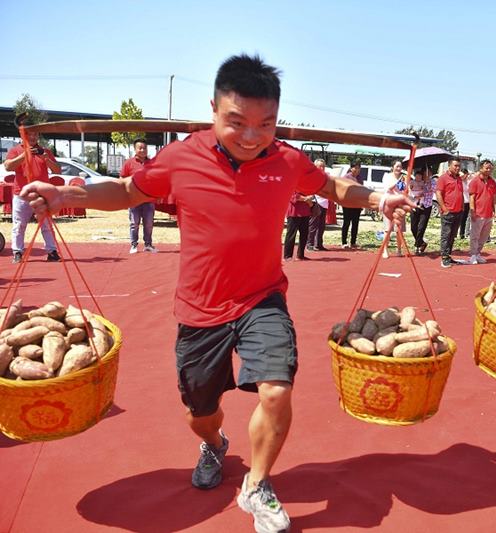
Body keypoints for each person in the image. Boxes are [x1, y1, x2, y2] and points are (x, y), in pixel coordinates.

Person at [20, 54, 413, 533]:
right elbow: (127, 192)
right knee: (199, 411)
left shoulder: (287, 159)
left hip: (262, 299)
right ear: (213, 110)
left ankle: (258, 484)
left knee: (276, 389)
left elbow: (331, 185)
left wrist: (376, 197)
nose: (252, 136)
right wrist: (66, 195)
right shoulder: (182, 156)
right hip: (199, 308)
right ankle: (213, 443)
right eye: (237, 123)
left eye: (265, 124)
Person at [3, 129, 62, 263]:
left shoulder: (45, 151)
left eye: (36, 134)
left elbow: (57, 170)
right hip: (21, 194)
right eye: (30, 134)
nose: (33, 137)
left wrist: (46, 159)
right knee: (19, 225)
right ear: (24, 136)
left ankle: (52, 251)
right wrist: (25, 155)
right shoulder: (15, 150)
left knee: (46, 224)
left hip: (42, 194)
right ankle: (17, 252)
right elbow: (8, 167)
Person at [121, 138, 157, 254]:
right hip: (134, 200)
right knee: (134, 223)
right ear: (135, 149)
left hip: (148, 199)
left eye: (145, 148)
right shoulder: (128, 163)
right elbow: (122, 179)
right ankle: (134, 245)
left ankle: (148, 244)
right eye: (140, 148)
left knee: (149, 224)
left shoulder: (152, 163)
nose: (143, 150)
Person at [435, 158, 464, 268]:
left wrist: (462, 208)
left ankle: (448, 255)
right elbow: (438, 194)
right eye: (455, 166)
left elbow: (460, 193)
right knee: (446, 235)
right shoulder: (443, 178)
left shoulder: (459, 179)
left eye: (459, 166)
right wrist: (444, 208)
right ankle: (444, 257)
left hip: (458, 212)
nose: (457, 168)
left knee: (452, 235)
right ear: (449, 166)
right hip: (448, 212)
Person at [467, 160, 496, 264]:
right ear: (481, 168)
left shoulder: (492, 182)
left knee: (484, 236)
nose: (489, 170)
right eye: (486, 168)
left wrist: (495, 210)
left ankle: (478, 253)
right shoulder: (474, 181)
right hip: (478, 213)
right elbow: (472, 198)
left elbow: (493, 197)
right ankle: (473, 255)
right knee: (475, 236)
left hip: (488, 214)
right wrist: (472, 211)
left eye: (490, 168)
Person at [381, 161, 406, 257]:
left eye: (400, 167)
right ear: (392, 167)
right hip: (389, 204)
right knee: (387, 229)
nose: (399, 168)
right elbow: (388, 188)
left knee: (399, 230)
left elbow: (405, 190)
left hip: (399, 205)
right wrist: (397, 181)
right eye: (397, 166)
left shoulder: (403, 178)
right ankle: (385, 250)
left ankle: (399, 250)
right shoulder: (387, 176)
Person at [409, 168, 434, 255]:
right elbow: (409, 189)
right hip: (415, 205)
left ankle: (417, 246)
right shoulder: (416, 181)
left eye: (428, 173)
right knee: (413, 227)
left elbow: (432, 189)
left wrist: (427, 185)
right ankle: (422, 243)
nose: (426, 175)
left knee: (421, 227)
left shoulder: (432, 181)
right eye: (424, 173)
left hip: (426, 206)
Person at [284, 191, 313, 261]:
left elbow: (312, 193)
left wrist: (310, 197)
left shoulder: (305, 186)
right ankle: (287, 256)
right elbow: (293, 196)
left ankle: (300, 255)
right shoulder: (291, 184)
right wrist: (306, 198)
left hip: (305, 212)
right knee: (291, 235)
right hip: (294, 213)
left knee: (304, 234)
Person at [307, 158, 329, 251]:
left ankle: (319, 244)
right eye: (320, 166)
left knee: (321, 225)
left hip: (325, 202)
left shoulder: (327, 176)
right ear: (315, 166)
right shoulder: (312, 176)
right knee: (313, 225)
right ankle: (309, 244)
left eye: (323, 166)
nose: (322, 168)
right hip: (316, 202)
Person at [340, 161, 363, 249]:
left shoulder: (360, 178)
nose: (357, 170)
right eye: (355, 167)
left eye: (359, 168)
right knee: (346, 223)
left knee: (355, 223)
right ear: (351, 168)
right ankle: (344, 242)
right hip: (347, 204)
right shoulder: (346, 177)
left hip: (357, 204)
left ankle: (353, 242)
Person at [458, 168, 472, 239]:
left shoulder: (469, 182)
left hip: (469, 202)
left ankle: (465, 233)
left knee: (467, 218)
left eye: (463, 175)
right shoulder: (459, 181)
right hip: (462, 202)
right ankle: (460, 233)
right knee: (462, 218)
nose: (462, 176)